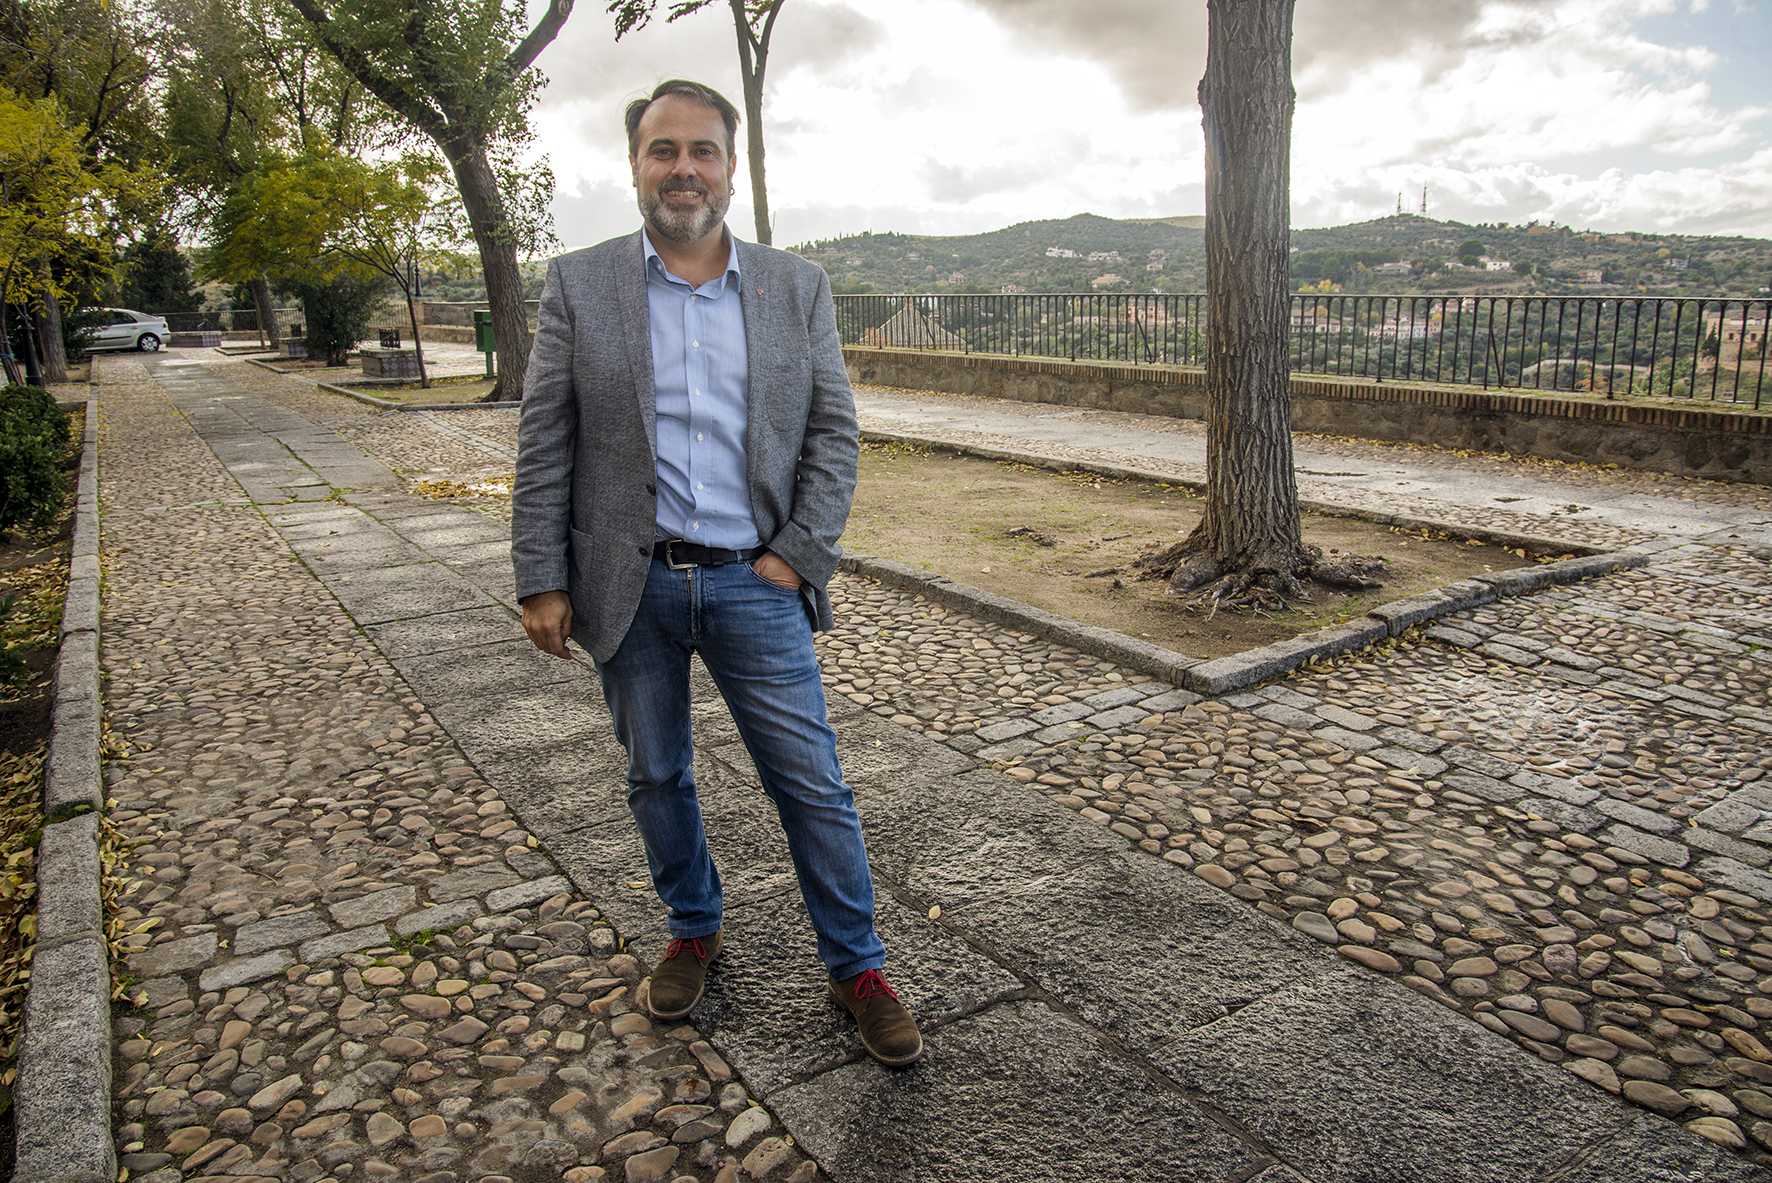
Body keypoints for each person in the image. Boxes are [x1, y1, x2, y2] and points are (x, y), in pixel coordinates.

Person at [510, 79, 922, 1067]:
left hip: (754, 580)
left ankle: (855, 965)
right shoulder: (580, 285)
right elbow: (545, 440)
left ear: (729, 168)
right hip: (629, 584)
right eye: (663, 150)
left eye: (702, 150)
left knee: (812, 783)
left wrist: (796, 554)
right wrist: (539, 576)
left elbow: (831, 431)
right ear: (637, 165)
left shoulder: (795, 286)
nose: (683, 168)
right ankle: (692, 927)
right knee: (656, 772)